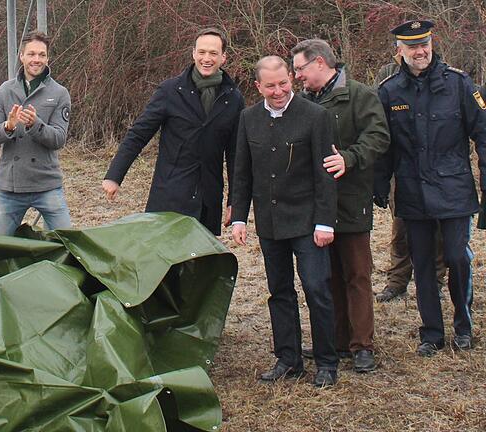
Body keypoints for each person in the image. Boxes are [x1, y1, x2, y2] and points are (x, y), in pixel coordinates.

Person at [375, 20, 486, 356]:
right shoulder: (389, 91)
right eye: (412, 47)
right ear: (399, 50)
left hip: (454, 188)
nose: (420, 52)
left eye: (424, 44)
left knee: (456, 257)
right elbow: (384, 146)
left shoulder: (459, 84)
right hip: (412, 192)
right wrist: (379, 186)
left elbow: (482, 134)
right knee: (422, 264)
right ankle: (432, 333)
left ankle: (463, 327)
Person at [231, 56, 339, 387]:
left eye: (284, 83)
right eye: (270, 86)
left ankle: (326, 362)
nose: (278, 91)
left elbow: (326, 174)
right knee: (279, 291)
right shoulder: (248, 118)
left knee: (316, 288)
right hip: (270, 222)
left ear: (291, 78)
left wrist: (325, 222)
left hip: (308, 222)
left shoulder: (315, 115)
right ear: (258, 86)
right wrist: (238, 217)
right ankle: (288, 358)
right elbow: (242, 172)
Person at [291, 39, 390, 373]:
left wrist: (349, 158)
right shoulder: (304, 101)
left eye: (300, 69)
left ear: (319, 63)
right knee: (327, 275)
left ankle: (362, 345)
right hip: (316, 206)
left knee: (357, 274)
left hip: (351, 200)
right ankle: (335, 341)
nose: (297, 77)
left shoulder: (361, 95)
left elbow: (378, 137)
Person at [102, 27, 245, 235]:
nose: (207, 58)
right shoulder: (170, 90)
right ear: (193, 54)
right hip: (170, 194)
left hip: (208, 199)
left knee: (199, 264)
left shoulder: (233, 98)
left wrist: (235, 202)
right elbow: (138, 134)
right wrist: (114, 175)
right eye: (202, 52)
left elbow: (235, 155)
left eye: (213, 53)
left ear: (223, 57)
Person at [373, 49, 447, 303]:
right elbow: (379, 120)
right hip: (402, 166)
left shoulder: (441, 73)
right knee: (401, 227)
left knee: (437, 226)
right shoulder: (387, 75)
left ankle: (436, 278)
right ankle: (398, 280)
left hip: (436, 166)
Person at [0, 30, 72, 235]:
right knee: (1, 250)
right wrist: (8, 127)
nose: (36, 59)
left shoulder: (59, 93)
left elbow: (59, 138)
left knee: (67, 245)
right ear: (21, 56)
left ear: (48, 58)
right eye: (31, 54)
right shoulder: (4, 91)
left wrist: (35, 125)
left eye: (41, 55)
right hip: (11, 189)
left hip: (47, 185)